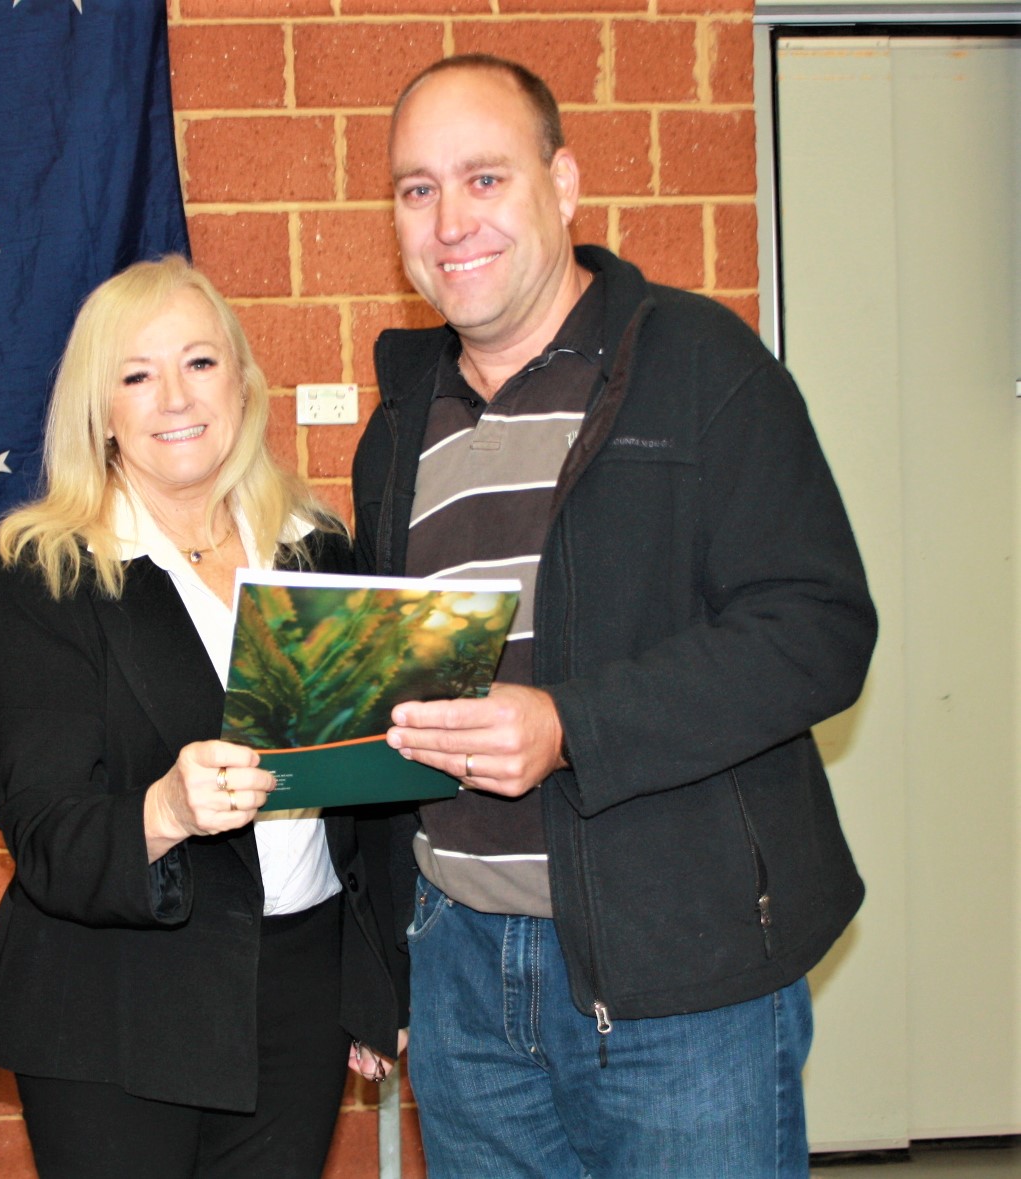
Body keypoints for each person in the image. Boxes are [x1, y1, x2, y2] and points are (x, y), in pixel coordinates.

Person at [351, 55, 877, 1177]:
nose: (449, 221)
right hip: (458, 976)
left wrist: (569, 727)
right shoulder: (398, 431)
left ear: (564, 182)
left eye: (483, 178)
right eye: (415, 189)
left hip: (678, 981)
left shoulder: (698, 365)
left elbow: (817, 627)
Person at [0, 256, 402, 1178]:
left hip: (298, 993)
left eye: (200, 363)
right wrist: (163, 809)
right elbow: (42, 830)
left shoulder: (315, 548)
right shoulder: (40, 572)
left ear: (241, 384)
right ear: (100, 409)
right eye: (136, 374)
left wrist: (373, 980)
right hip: (114, 1002)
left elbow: (369, 805)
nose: (175, 396)